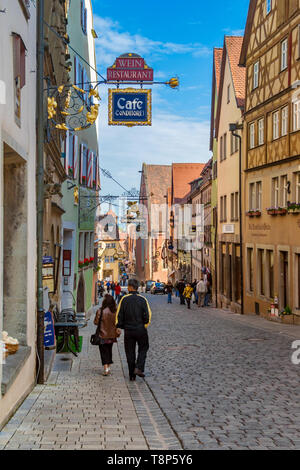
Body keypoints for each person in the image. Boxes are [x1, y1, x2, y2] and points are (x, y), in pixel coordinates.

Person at [116, 279, 152, 381]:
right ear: (137, 287)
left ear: (130, 287)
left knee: (130, 352)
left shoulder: (124, 299)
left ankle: (132, 375)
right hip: (140, 329)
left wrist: (119, 326)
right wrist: (145, 324)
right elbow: (148, 315)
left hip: (129, 330)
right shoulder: (143, 299)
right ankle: (139, 367)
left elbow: (119, 314)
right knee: (143, 348)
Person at [94, 295, 121, 376]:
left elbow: (95, 322)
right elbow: (118, 322)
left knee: (103, 352)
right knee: (109, 350)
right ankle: (108, 368)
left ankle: (106, 369)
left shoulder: (100, 311)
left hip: (102, 335)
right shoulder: (115, 311)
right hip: (112, 336)